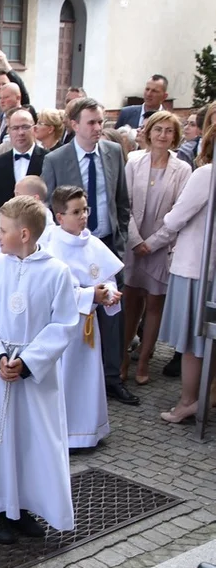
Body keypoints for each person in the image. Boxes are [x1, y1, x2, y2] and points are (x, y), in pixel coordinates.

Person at [0, 196, 79, 544]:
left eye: (3, 230)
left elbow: (63, 323)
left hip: (34, 377)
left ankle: (25, 507)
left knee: (32, 442)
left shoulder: (56, 272)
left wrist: (28, 362)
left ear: (26, 233)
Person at [41, 97, 136, 406]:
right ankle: (73, 382)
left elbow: (121, 200)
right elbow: (46, 208)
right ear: (74, 125)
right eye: (92, 122)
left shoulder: (112, 152)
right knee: (75, 310)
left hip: (103, 245)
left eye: (100, 122)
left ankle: (112, 377)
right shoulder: (56, 159)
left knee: (111, 312)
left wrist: (118, 237)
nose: (98, 128)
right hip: (69, 248)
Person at [46, 186, 123, 448]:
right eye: (76, 212)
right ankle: (65, 435)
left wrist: (110, 293)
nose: (83, 217)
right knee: (67, 377)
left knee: (88, 376)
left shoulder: (93, 243)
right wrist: (92, 295)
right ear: (59, 217)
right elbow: (54, 290)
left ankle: (90, 430)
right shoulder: (51, 246)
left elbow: (107, 278)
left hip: (89, 326)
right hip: (65, 327)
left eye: (85, 210)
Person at [120, 111, 190, 385]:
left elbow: (182, 211)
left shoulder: (183, 169)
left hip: (161, 247)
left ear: (175, 136)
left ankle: (145, 359)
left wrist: (155, 242)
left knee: (154, 304)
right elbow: (124, 204)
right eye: (158, 129)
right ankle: (124, 356)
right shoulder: (134, 162)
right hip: (133, 243)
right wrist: (137, 240)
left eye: (168, 131)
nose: (162, 135)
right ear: (148, 132)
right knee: (130, 301)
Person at [157, 126, 216, 423]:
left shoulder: (206, 175)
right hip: (208, 269)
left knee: (194, 341)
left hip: (196, 267)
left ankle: (189, 401)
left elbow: (175, 218)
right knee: (208, 339)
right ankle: (203, 396)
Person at [0, 107, 48, 210]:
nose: (20, 133)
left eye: (25, 127)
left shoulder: (48, 160)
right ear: (9, 131)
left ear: (34, 129)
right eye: (15, 128)